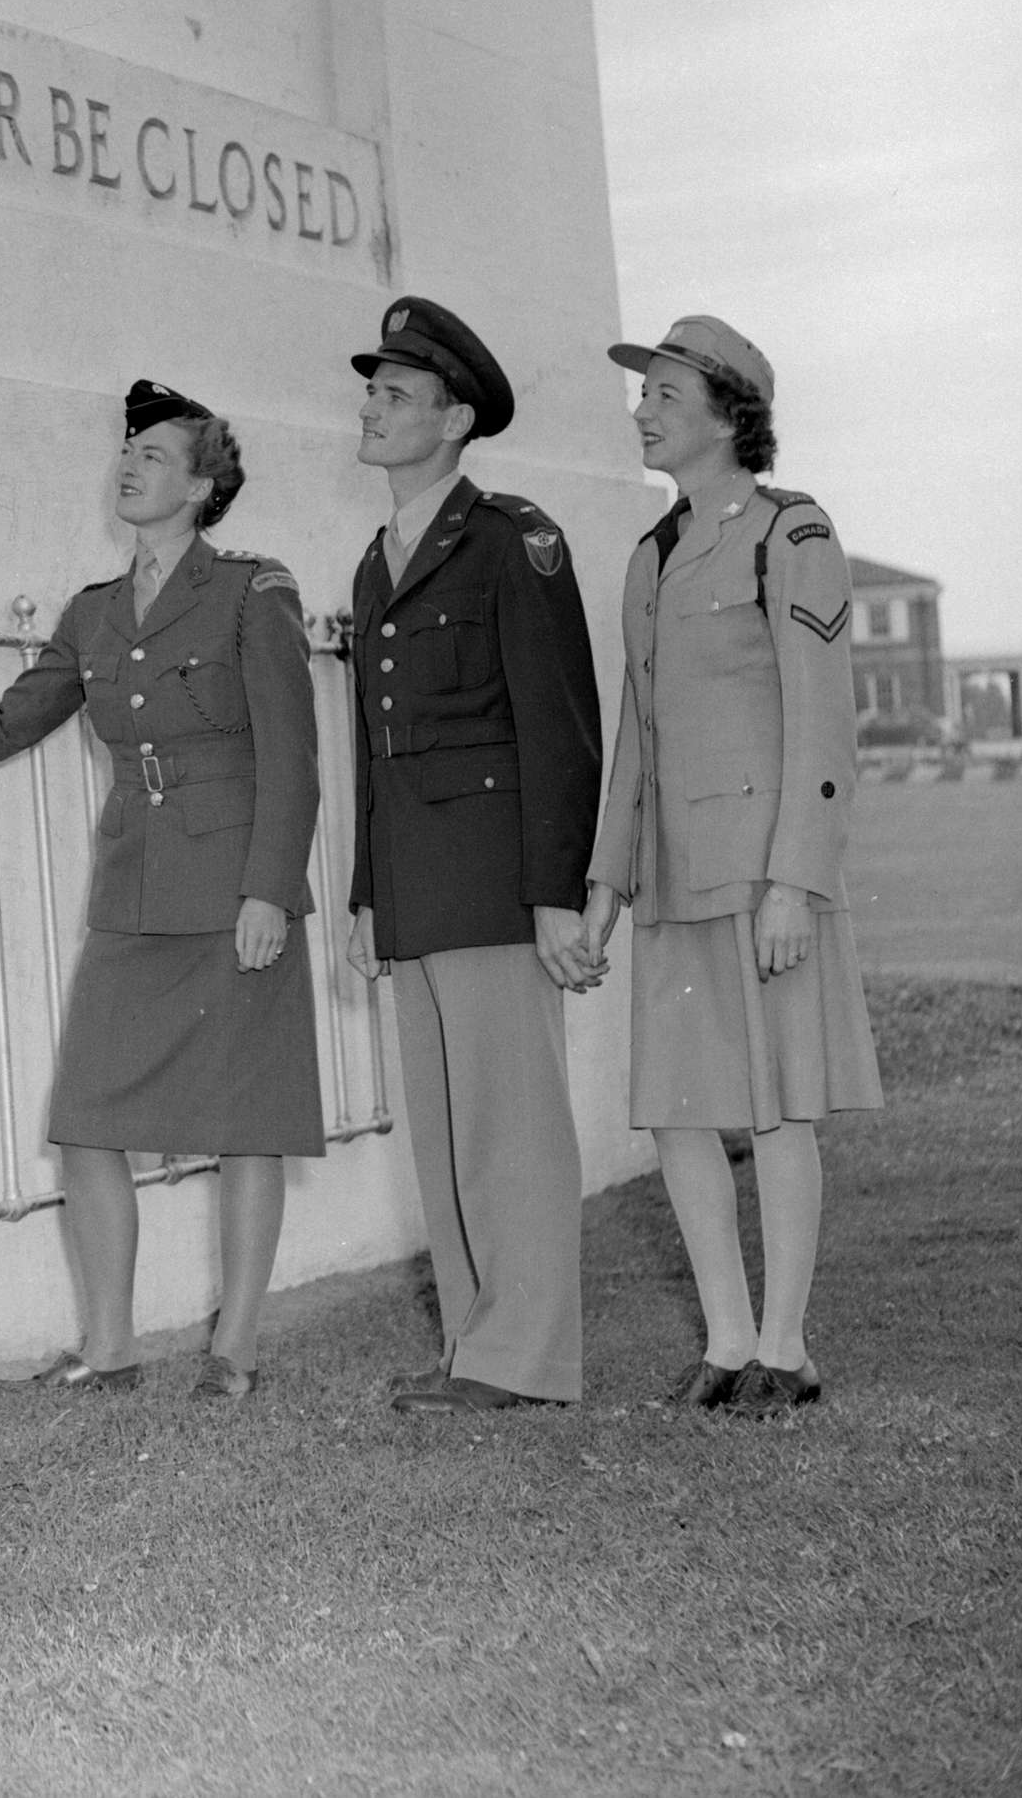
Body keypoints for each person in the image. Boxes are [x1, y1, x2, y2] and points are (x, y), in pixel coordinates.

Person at [0, 381, 321, 1399]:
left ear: (204, 484)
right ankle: (108, 1347)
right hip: (132, 893)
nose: (130, 463)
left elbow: (293, 758)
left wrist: (270, 889)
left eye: (158, 455)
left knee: (246, 1121)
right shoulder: (92, 613)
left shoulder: (252, 592)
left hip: (233, 896)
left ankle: (237, 1348)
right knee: (86, 1117)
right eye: (128, 450)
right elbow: (5, 729)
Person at [580, 317, 881, 1416]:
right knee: (677, 1111)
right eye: (642, 393)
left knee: (780, 1108)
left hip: (762, 878)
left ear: (727, 410)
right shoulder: (650, 556)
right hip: (669, 876)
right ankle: (726, 1338)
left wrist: (798, 881)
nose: (644, 409)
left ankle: (788, 1349)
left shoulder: (791, 532)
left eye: (664, 391)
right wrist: (603, 893)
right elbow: (636, 740)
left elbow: (823, 724)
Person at [342, 296, 606, 1415]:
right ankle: (474, 1346)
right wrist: (366, 894)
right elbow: (374, 749)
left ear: (454, 420)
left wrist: (558, 892)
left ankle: (527, 1356)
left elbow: (562, 724)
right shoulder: (376, 561)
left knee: (512, 1128)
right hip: (417, 882)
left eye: (398, 394)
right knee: (447, 1130)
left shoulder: (511, 540)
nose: (374, 406)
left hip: (498, 880)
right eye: (374, 389)